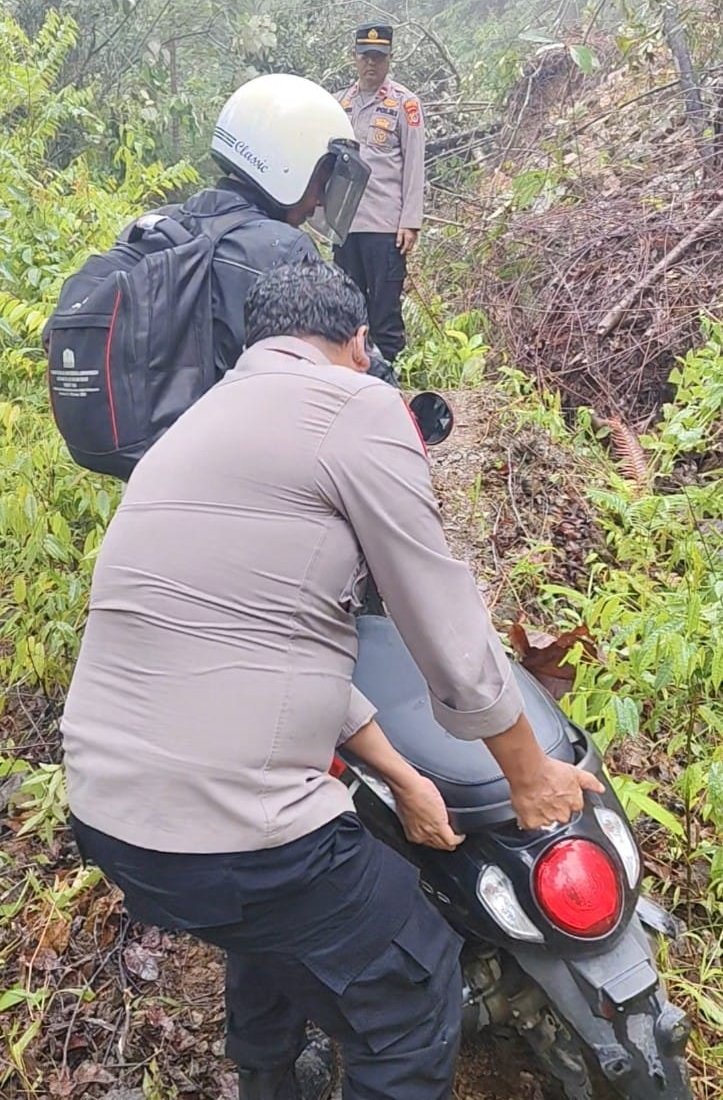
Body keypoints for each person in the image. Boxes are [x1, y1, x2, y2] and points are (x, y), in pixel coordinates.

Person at [62, 261, 603, 1100]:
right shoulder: (356, 403)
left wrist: (404, 779)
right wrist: (528, 776)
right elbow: (442, 615)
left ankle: (270, 1079)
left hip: (112, 818)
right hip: (235, 835)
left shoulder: (192, 426)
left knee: (273, 926)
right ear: (357, 344)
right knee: (411, 991)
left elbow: (255, 634)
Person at [332, 24, 425, 363]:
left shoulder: (405, 104)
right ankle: (351, 377)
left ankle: (389, 379)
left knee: (385, 314)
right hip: (346, 226)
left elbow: (414, 165)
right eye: (365, 56)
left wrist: (410, 221)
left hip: (386, 227)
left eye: (378, 57)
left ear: (389, 59)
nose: (371, 63)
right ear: (354, 58)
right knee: (347, 311)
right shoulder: (338, 104)